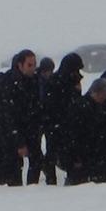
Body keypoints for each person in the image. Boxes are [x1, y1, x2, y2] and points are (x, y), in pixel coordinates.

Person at [0, 49, 37, 186]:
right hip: (8, 134)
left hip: (25, 131)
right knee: (12, 171)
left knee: (35, 162)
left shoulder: (32, 82)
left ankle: (33, 193)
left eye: (34, 65)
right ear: (20, 65)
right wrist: (19, 142)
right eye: (29, 65)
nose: (33, 69)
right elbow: (7, 115)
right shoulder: (8, 84)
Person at [41, 53, 84, 185]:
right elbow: (52, 105)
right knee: (53, 154)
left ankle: (69, 178)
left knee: (69, 154)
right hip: (56, 124)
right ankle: (51, 180)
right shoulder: (55, 82)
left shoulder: (71, 81)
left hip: (68, 124)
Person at [64, 78, 106, 185]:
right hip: (80, 155)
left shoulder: (98, 107)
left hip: (93, 155)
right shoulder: (81, 106)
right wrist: (76, 157)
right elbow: (73, 133)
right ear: (98, 92)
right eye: (105, 93)